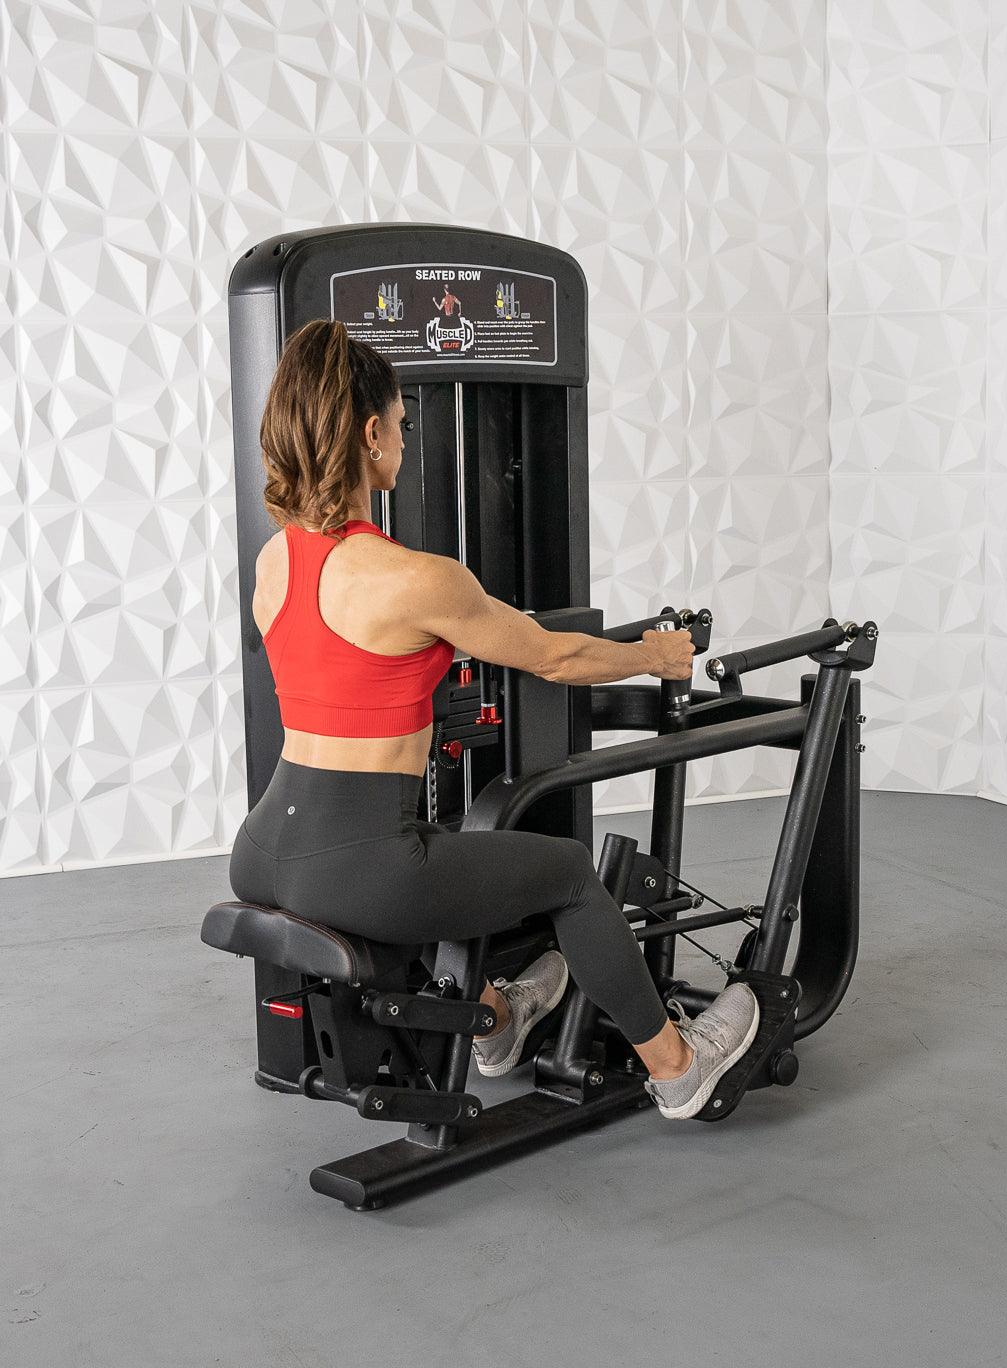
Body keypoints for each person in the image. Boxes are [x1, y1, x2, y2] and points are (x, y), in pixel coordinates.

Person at [228, 318, 760, 1121]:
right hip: (358, 863)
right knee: (570, 874)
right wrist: (653, 654)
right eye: (401, 424)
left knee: (430, 855)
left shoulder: (274, 561)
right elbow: (555, 656)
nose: (405, 441)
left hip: (264, 849)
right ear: (370, 435)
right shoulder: (417, 579)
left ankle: (499, 1021)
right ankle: (680, 1067)